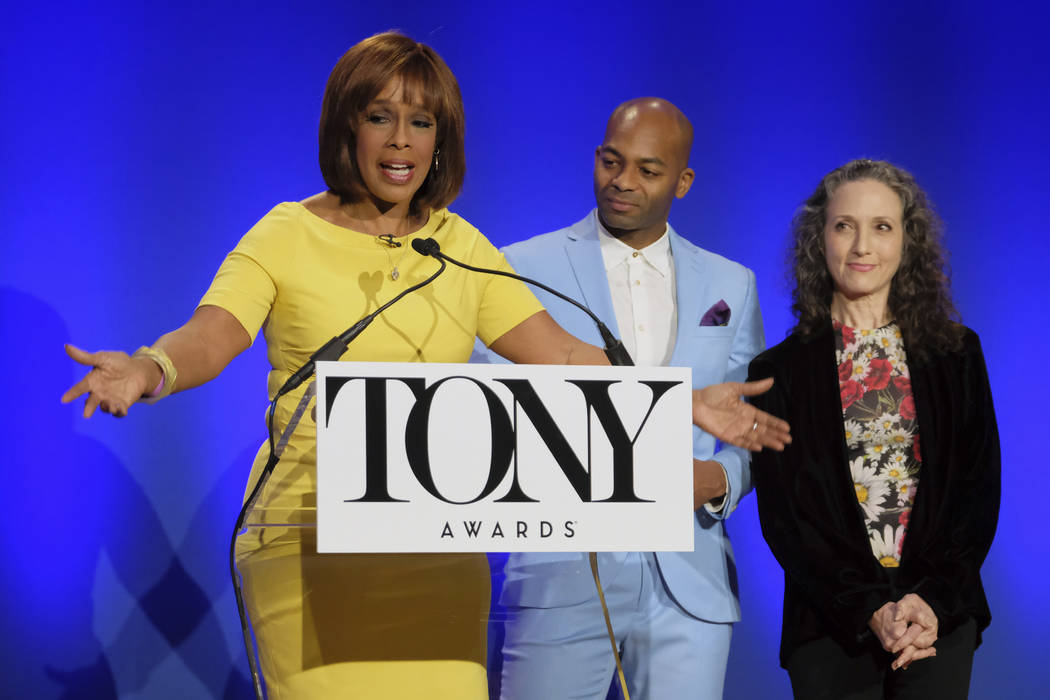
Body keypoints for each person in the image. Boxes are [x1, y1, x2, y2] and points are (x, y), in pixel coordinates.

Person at [60, 34, 788, 699]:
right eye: (381, 117)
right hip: (309, 540)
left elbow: (563, 354)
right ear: (348, 124)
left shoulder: (459, 246)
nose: (401, 141)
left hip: (433, 549)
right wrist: (149, 368)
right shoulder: (285, 234)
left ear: (443, 139)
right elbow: (212, 335)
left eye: (422, 122)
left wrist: (675, 401)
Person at [482, 97, 764, 699]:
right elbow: (486, 412)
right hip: (561, 573)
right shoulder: (520, 267)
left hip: (690, 579)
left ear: (683, 182)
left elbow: (753, 426)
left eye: (648, 170)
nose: (622, 182)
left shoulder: (731, 285)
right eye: (612, 162)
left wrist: (719, 479)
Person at [747, 158, 999, 699]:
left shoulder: (957, 354)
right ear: (820, 240)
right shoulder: (778, 372)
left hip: (936, 620)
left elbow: (976, 496)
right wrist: (869, 609)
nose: (862, 245)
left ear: (908, 242)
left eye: (881, 226)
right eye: (844, 225)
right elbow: (789, 519)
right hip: (831, 625)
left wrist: (927, 601)